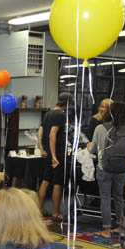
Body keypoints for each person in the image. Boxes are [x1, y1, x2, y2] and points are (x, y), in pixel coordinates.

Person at [88, 101, 125, 235]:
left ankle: (107, 228)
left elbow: (92, 150)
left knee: (105, 198)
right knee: (119, 197)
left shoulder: (100, 128)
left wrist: (88, 147)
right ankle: (121, 225)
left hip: (104, 167)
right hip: (122, 168)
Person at [37, 93, 71, 223]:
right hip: (56, 154)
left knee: (45, 181)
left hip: (47, 153)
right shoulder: (60, 115)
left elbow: (40, 132)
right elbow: (52, 135)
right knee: (57, 183)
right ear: (67, 104)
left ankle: (39, 210)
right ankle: (56, 212)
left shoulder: (48, 114)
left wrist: (41, 148)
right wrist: (54, 156)